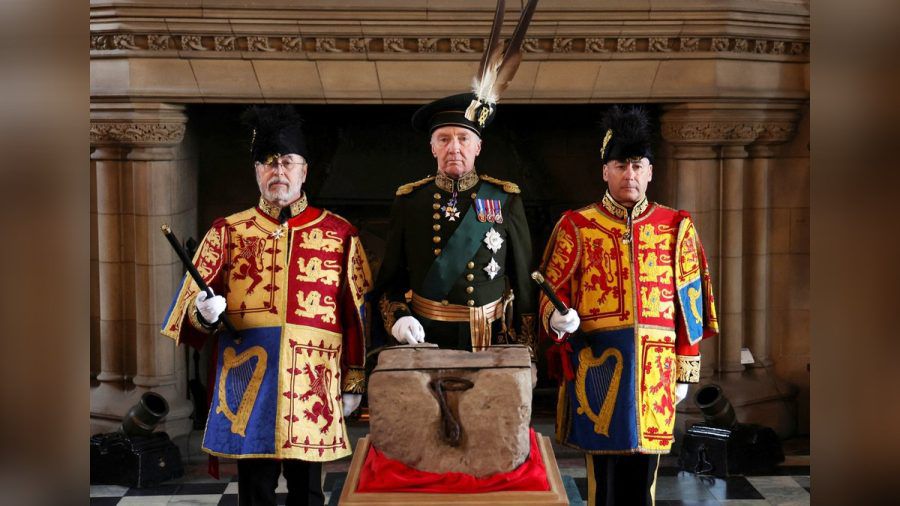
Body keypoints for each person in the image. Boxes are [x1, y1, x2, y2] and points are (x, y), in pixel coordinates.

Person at [160, 105, 371, 506]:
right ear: (257, 171)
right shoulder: (227, 231)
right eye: (269, 163)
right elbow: (189, 311)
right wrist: (203, 315)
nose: (279, 172)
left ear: (304, 170)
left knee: (308, 492)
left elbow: (356, 313)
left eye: (288, 162)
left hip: (314, 383)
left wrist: (354, 380)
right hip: (248, 379)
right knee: (254, 491)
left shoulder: (340, 232)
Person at [538, 106, 719, 505]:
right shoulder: (577, 225)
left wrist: (687, 366)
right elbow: (550, 292)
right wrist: (558, 316)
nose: (630, 174)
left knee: (644, 483)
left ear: (650, 171)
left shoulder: (676, 226)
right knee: (602, 483)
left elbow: (691, 304)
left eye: (638, 165)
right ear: (605, 171)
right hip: (597, 368)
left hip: (656, 372)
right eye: (620, 165)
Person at [373, 93, 537, 356]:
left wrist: (528, 347)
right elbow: (390, 279)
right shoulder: (410, 201)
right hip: (425, 336)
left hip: (490, 339)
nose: (454, 147)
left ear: (478, 147)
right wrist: (400, 319)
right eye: (444, 139)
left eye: (463, 138)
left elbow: (524, 281)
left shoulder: (506, 198)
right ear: (433, 147)